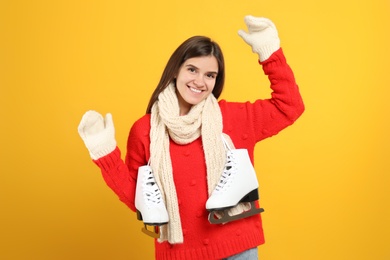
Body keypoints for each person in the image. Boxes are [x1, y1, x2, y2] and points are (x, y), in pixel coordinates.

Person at [78, 15, 304, 260]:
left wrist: (269, 51)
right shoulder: (145, 131)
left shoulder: (234, 118)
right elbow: (140, 201)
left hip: (239, 250)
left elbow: (289, 106)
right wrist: (104, 153)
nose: (200, 81)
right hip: (180, 253)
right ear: (176, 70)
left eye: (210, 75)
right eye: (192, 70)